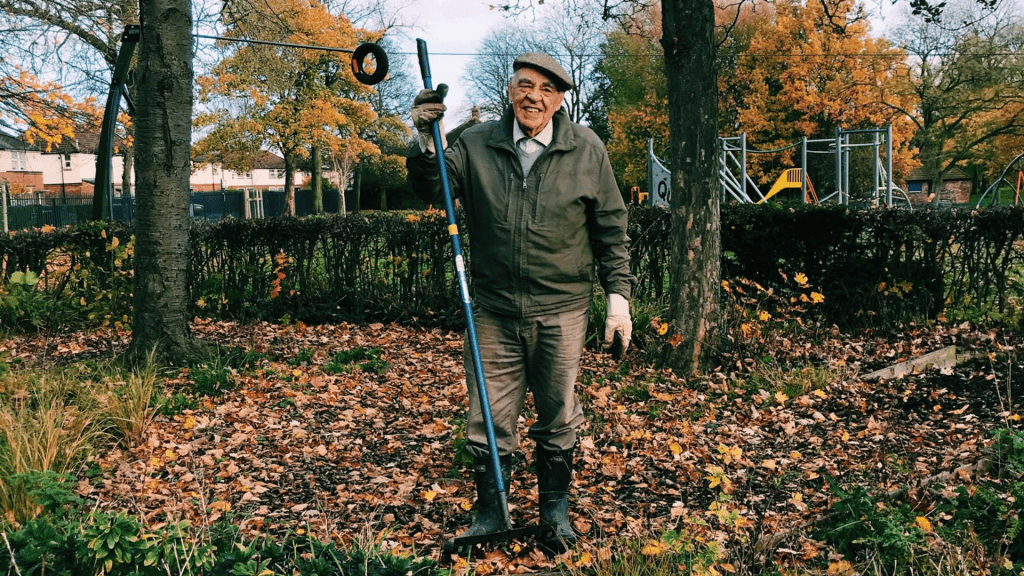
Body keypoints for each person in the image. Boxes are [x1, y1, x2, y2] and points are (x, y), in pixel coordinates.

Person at [407, 52, 635, 552]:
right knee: (487, 417)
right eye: (525, 85)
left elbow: (611, 230)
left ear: (560, 100)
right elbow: (432, 186)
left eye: (547, 90)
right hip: (492, 309)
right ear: (511, 88)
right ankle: (491, 514)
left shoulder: (586, 149)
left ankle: (555, 515)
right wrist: (426, 139)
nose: (534, 96)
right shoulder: (475, 141)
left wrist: (618, 300)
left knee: (558, 415)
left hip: (563, 308)